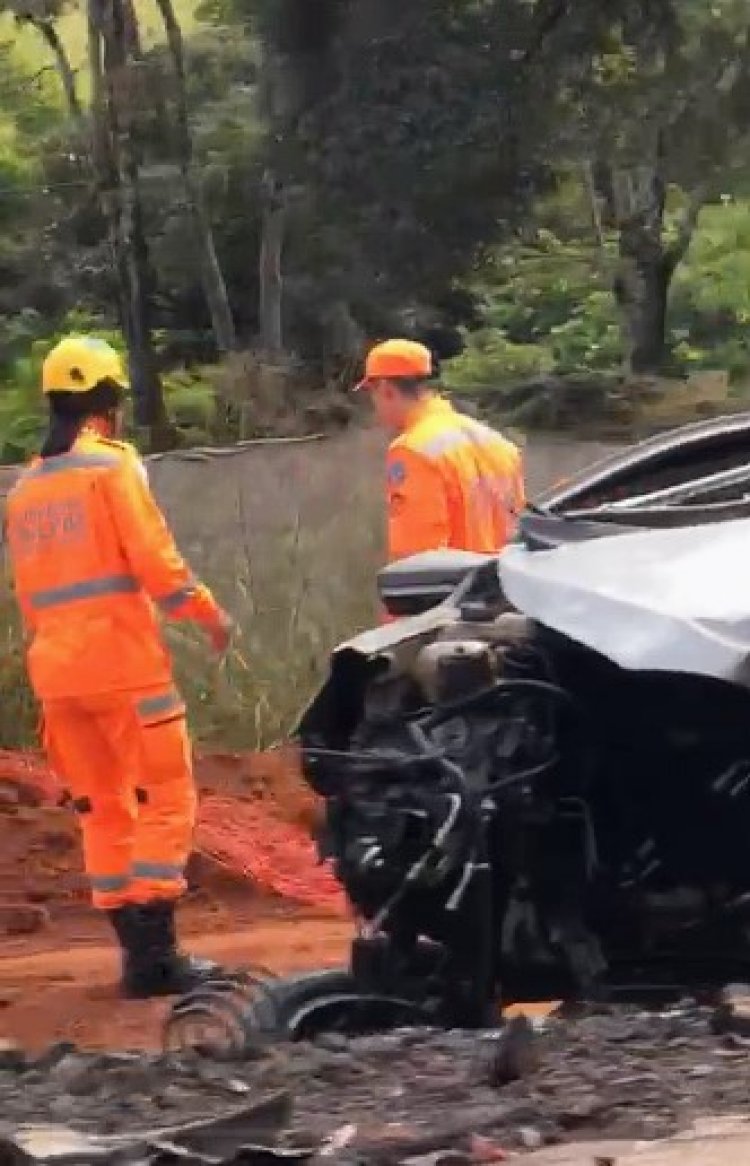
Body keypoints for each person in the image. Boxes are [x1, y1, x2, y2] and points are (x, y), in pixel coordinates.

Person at [5, 337, 234, 999]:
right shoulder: (111, 469)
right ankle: (159, 959)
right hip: (123, 670)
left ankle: (138, 959)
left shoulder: (24, 490)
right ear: (109, 403)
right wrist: (210, 615)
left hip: (56, 677)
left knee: (103, 811)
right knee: (165, 801)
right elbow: (158, 567)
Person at [356, 338, 525, 561]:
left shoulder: (413, 451)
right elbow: (519, 531)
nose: (375, 408)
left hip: (454, 591)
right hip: (507, 587)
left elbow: (417, 558)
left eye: (373, 396)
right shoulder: (498, 443)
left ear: (387, 390)